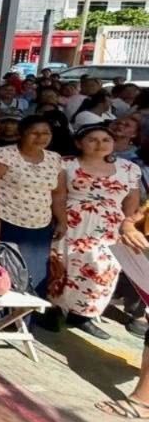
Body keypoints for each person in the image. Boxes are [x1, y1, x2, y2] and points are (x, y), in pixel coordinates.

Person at [49, 124, 143, 339]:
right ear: (79, 143)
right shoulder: (66, 164)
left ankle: (82, 315)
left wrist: (126, 225)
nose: (100, 144)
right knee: (65, 264)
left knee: (104, 269)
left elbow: (132, 199)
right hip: (75, 220)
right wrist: (61, 221)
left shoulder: (128, 168)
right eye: (93, 139)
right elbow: (59, 195)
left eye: (105, 140)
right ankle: (53, 310)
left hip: (111, 224)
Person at [0, 115, 66, 300]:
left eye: (46, 133)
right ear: (21, 133)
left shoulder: (54, 159)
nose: (41, 137)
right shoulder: (1, 155)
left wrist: (62, 221)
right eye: (34, 133)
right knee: (5, 270)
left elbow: (58, 194)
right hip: (6, 220)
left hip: (40, 225)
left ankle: (27, 321)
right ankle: (1, 319)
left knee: (35, 272)